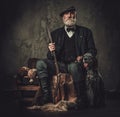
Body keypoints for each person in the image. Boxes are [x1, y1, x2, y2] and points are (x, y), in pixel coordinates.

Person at [36, 6, 97, 108]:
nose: (69, 15)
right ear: (62, 17)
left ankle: (81, 99)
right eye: (66, 14)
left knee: (73, 66)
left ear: (75, 15)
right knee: (40, 63)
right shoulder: (55, 34)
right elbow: (50, 57)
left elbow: (92, 50)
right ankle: (46, 96)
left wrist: (83, 57)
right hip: (60, 65)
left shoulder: (86, 32)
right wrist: (51, 51)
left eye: (72, 13)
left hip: (77, 64)